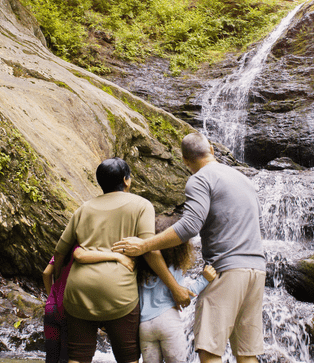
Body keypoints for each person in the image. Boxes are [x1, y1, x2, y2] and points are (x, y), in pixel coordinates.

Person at [112, 133, 266, 363]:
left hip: (227, 270)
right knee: (246, 353)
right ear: (211, 150)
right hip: (257, 269)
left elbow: (190, 226)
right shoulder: (243, 179)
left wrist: (145, 244)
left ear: (185, 160)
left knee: (209, 350)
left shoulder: (200, 179)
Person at [49, 157, 193, 363]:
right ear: (126, 180)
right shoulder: (141, 205)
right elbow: (149, 250)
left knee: (78, 356)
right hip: (118, 292)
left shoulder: (84, 208)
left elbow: (60, 252)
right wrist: (174, 287)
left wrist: (57, 288)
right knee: (128, 357)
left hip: (79, 290)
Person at [137, 216, 217, 363]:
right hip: (168, 321)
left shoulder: (141, 270)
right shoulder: (174, 269)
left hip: (144, 326)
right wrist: (204, 279)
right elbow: (183, 295)